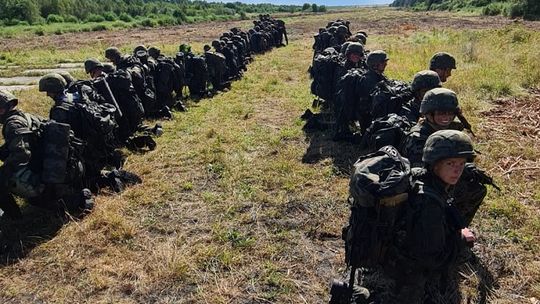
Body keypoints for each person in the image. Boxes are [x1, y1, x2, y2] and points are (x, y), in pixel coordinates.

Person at [381, 129, 476, 303]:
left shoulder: (422, 177)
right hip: (404, 266)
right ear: (435, 164)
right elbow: (431, 258)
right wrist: (460, 240)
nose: (458, 170)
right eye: (451, 163)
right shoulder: (429, 203)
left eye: (461, 164)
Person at [0, 90, 93, 218]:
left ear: (2, 110)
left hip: (44, 173)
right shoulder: (26, 116)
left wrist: (4, 172)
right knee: (38, 201)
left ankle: (14, 218)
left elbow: (21, 155)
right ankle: (63, 197)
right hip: (57, 168)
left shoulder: (12, 124)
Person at [401, 88, 463, 167]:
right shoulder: (418, 139)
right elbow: (420, 172)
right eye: (441, 113)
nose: (446, 117)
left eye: (451, 112)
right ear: (428, 114)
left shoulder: (453, 129)